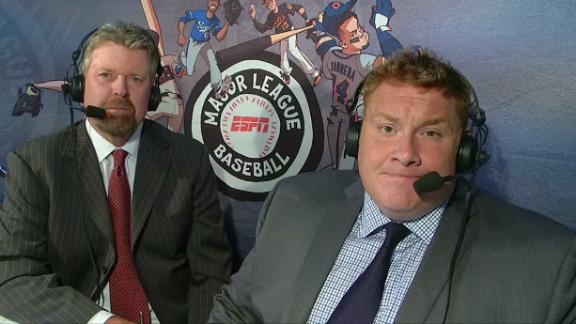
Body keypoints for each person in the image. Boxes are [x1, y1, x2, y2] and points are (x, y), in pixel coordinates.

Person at [208, 49, 576, 323]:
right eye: (387, 129)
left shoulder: (546, 266)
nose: (405, 154)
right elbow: (237, 311)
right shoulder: (293, 203)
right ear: (356, 138)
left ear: (463, 152)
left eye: (430, 133)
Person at [0, 22, 232, 324]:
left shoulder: (190, 159)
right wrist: (101, 322)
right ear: (81, 88)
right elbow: (14, 278)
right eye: (106, 76)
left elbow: (211, 273)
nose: (120, 90)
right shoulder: (35, 164)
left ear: (151, 95)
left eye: (135, 79)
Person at [247, 0, 320, 86]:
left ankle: (314, 73)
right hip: (282, 37)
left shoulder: (284, 7)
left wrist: (306, 19)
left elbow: (299, 8)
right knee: (283, 56)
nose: (270, 4)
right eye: (267, 3)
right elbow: (262, 29)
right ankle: (286, 74)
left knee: (293, 49)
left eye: (270, 1)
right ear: (266, 6)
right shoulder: (270, 17)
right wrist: (253, 18)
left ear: (275, 1)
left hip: (291, 32)